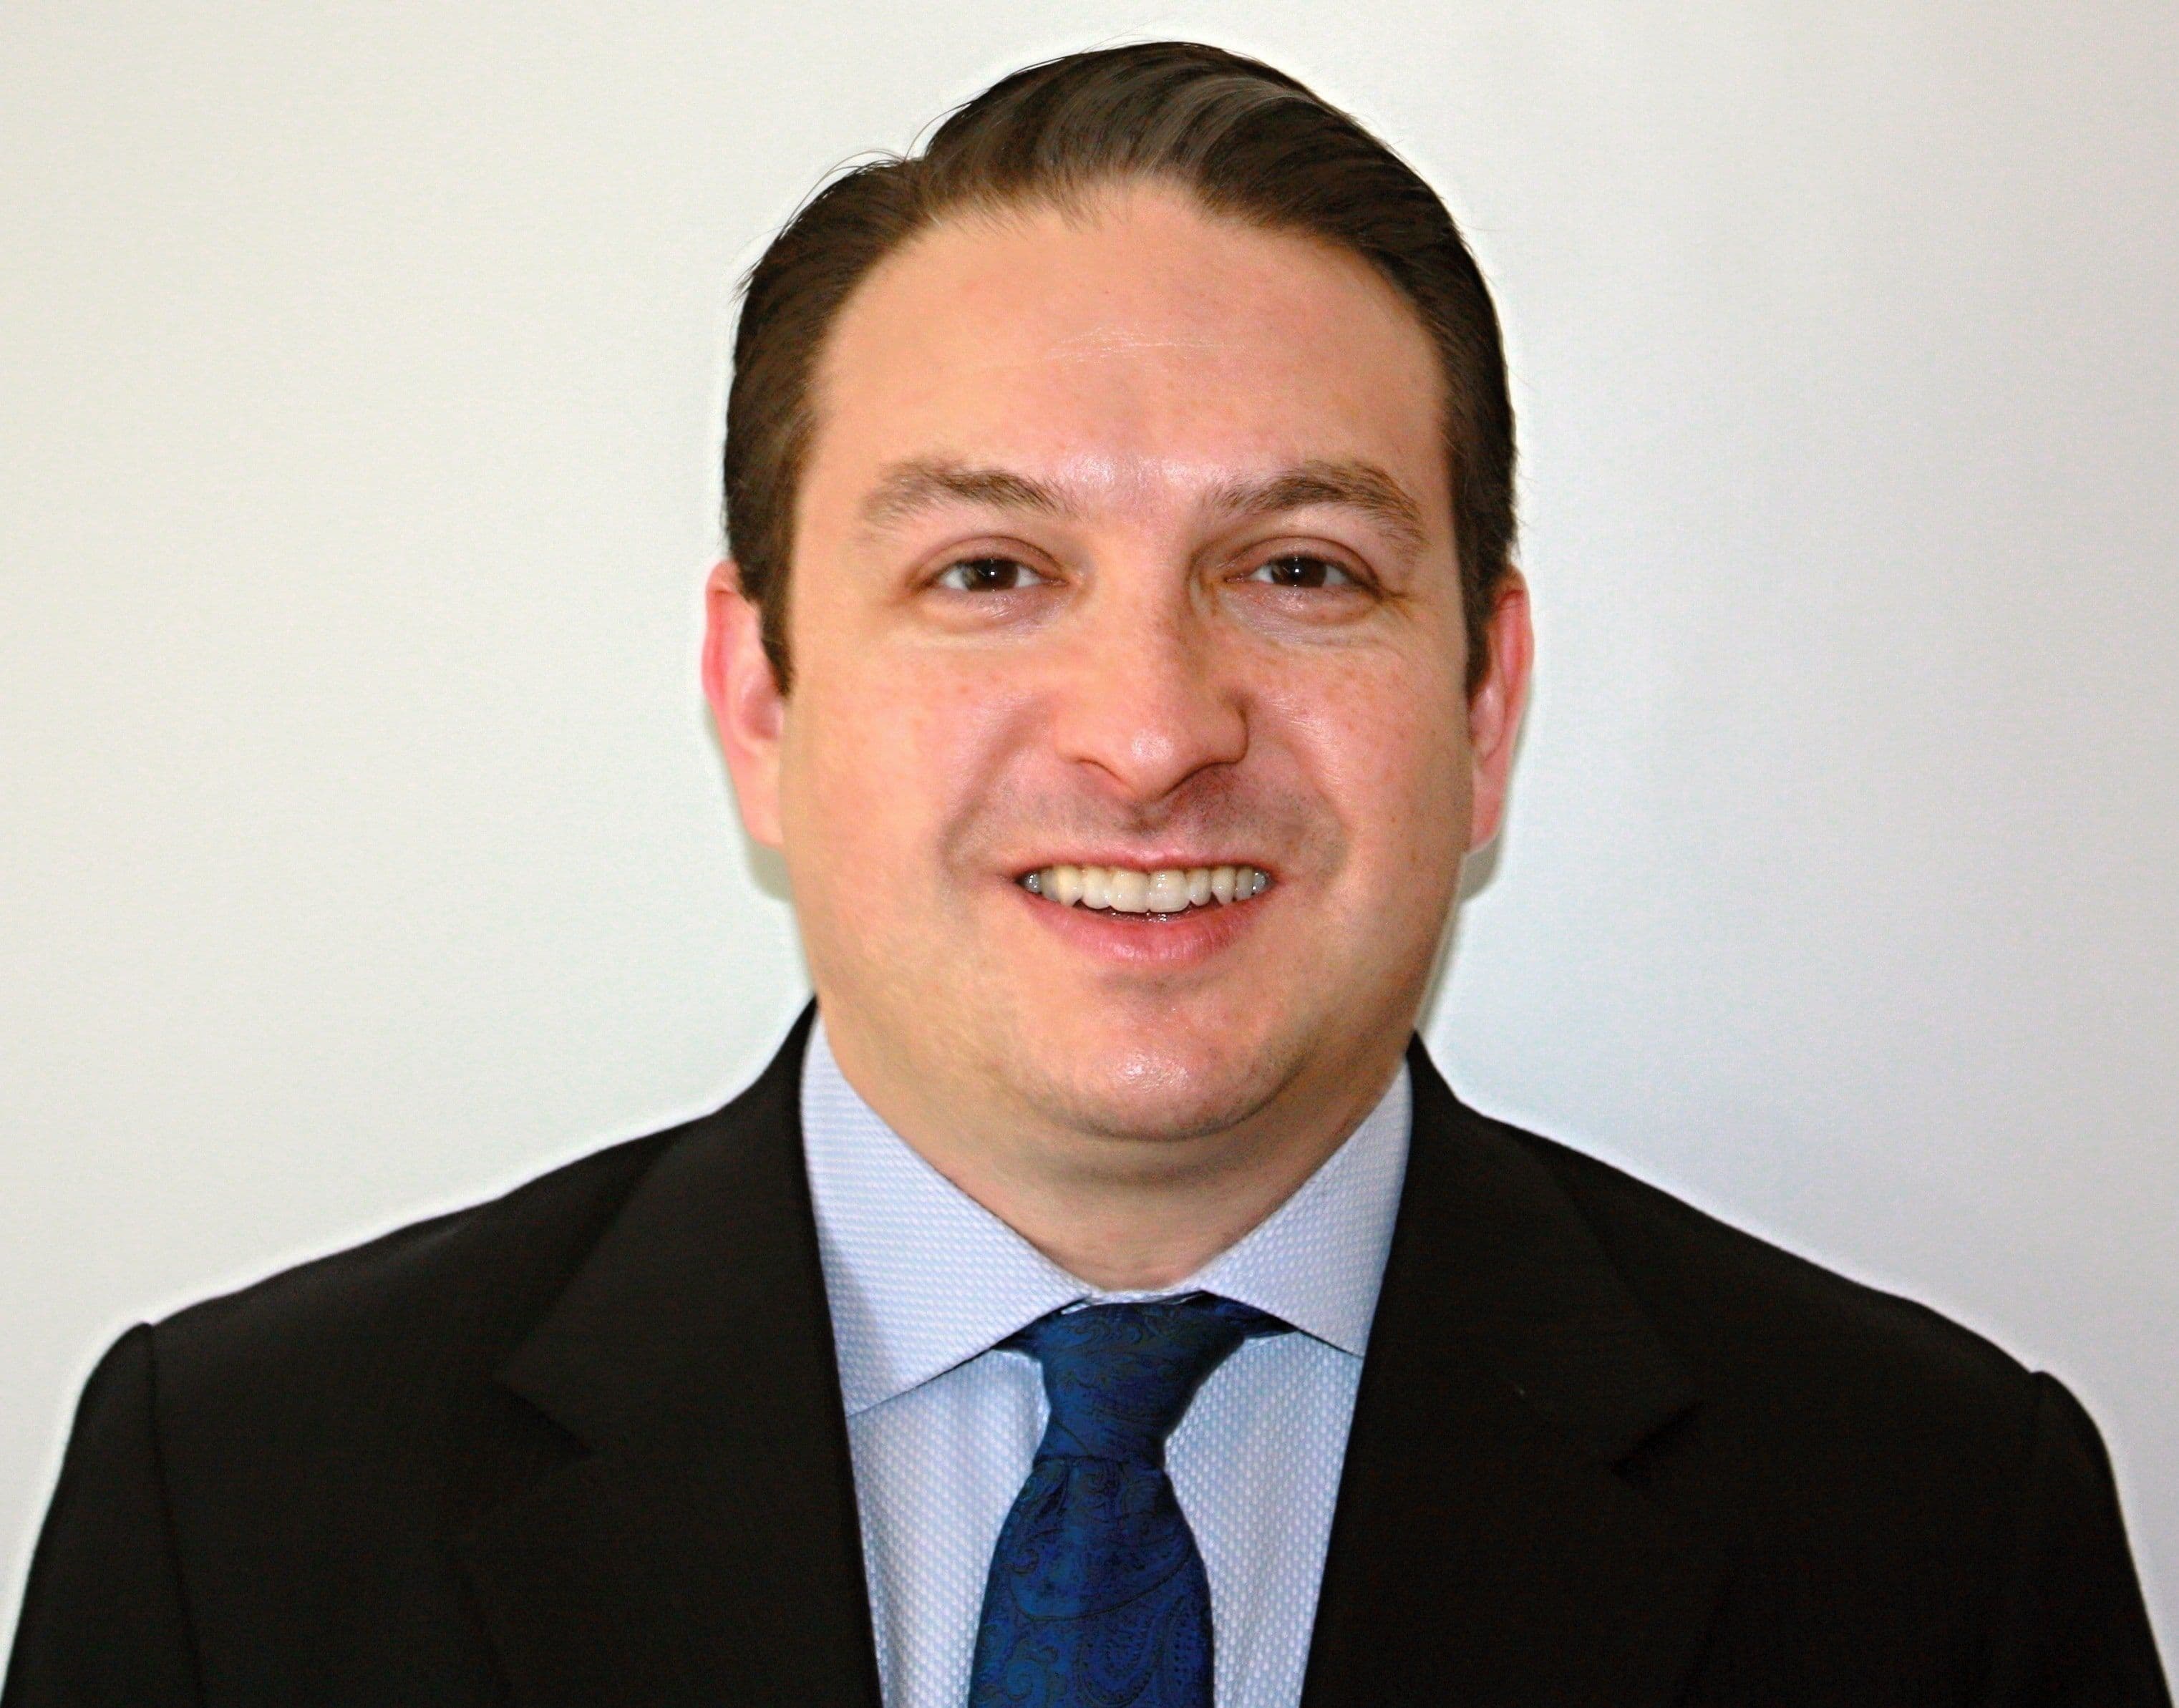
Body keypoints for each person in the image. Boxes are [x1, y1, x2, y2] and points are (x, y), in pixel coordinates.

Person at [4, 39, 2166, 1708]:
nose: (1150, 729)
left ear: (1484, 698)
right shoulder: (241, 1514)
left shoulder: (1937, 1540)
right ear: (758, 695)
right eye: (990, 569)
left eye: (1300, 568)